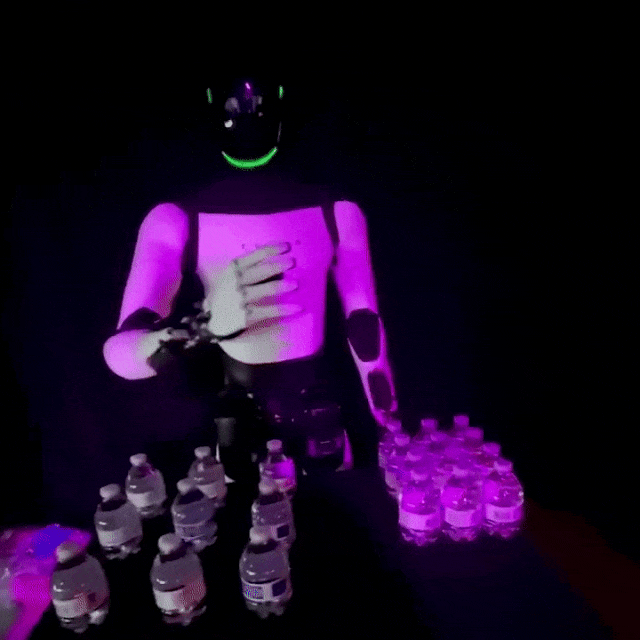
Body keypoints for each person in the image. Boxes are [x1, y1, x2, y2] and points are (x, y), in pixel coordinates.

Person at [102, 71, 401, 481]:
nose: (247, 104)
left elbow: (364, 324)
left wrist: (387, 418)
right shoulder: (175, 220)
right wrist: (206, 327)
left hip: (315, 409)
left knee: (329, 490)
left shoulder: (338, 213)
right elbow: (121, 354)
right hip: (240, 414)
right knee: (249, 498)